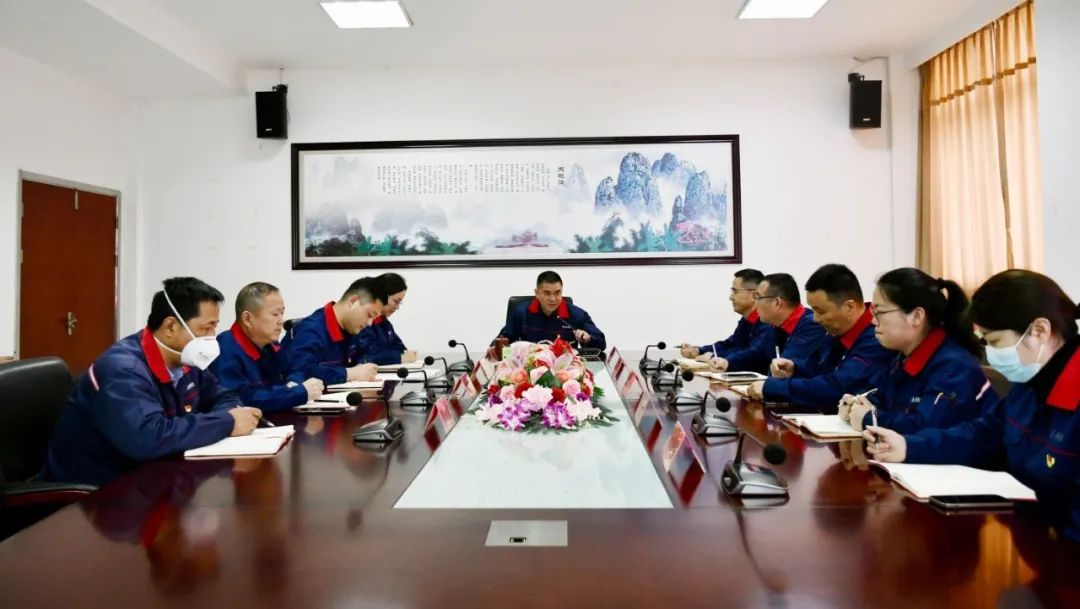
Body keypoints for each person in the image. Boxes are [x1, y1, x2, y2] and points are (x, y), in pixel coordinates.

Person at [866, 270, 1080, 543]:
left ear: (1039, 331)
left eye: (995, 341)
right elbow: (981, 436)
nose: (990, 353)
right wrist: (908, 447)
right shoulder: (1031, 384)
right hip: (1029, 539)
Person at [42, 277, 261, 486]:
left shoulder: (185, 360)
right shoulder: (123, 370)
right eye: (205, 328)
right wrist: (227, 422)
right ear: (170, 327)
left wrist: (228, 417)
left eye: (215, 327)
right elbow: (148, 438)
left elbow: (224, 395)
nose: (212, 336)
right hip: (93, 495)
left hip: (152, 477)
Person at [839, 268, 994, 433]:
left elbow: (926, 429)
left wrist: (870, 418)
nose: (873, 322)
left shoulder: (953, 367)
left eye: (879, 313)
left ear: (917, 316)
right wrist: (856, 404)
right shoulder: (902, 357)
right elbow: (877, 393)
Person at [750, 264, 892, 407]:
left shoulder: (876, 338)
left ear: (849, 307)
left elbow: (836, 388)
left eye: (821, 311)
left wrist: (774, 388)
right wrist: (794, 368)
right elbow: (817, 365)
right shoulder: (836, 330)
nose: (815, 318)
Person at [211, 282, 324, 413]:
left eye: (282, 313)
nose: (281, 321)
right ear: (247, 318)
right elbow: (242, 400)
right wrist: (297, 393)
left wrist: (293, 382)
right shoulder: (225, 350)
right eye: (275, 314)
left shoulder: (270, 343)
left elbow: (293, 370)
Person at [281, 277, 384, 385]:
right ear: (353, 302)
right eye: (369, 315)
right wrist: (349, 373)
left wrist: (362, 366)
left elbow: (365, 355)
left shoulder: (351, 328)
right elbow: (301, 372)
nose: (370, 323)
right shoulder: (311, 330)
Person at [679, 268, 776, 374]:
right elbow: (729, 344)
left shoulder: (767, 322)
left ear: (753, 295)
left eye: (735, 291)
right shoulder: (747, 320)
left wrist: (713, 356)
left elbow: (752, 354)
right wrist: (699, 350)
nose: (730, 297)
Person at [496, 270, 606, 350]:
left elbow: (601, 343)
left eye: (557, 293)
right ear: (537, 293)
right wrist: (495, 350)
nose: (553, 299)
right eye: (547, 293)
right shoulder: (522, 313)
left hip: (564, 370)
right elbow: (503, 340)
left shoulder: (577, 315)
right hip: (529, 367)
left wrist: (588, 339)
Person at [749, 272, 825, 365]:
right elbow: (757, 354)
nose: (754, 302)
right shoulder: (776, 324)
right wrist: (731, 362)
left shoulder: (811, 326)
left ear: (777, 302)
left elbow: (783, 368)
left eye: (758, 297)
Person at [357, 273, 418, 365]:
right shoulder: (362, 322)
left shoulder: (384, 322)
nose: (397, 307)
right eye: (396, 301)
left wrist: (405, 355)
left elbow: (400, 348)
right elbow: (365, 357)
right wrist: (399, 357)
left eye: (400, 303)